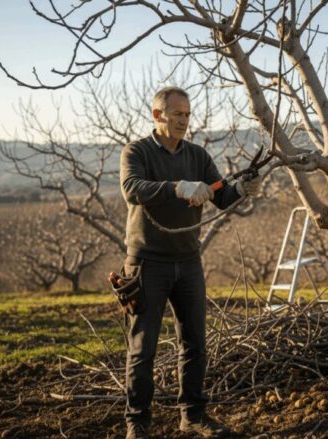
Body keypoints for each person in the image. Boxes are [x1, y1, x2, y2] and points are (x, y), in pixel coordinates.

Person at [118, 86, 261, 439]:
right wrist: (177, 187)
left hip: (188, 261)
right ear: (157, 115)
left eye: (187, 114)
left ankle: (193, 416)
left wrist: (242, 189)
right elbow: (132, 188)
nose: (184, 120)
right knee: (143, 347)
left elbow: (221, 194)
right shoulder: (137, 151)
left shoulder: (197, 156)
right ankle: (137, 423)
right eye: (177, 114)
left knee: (195, 342)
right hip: (146, 263)